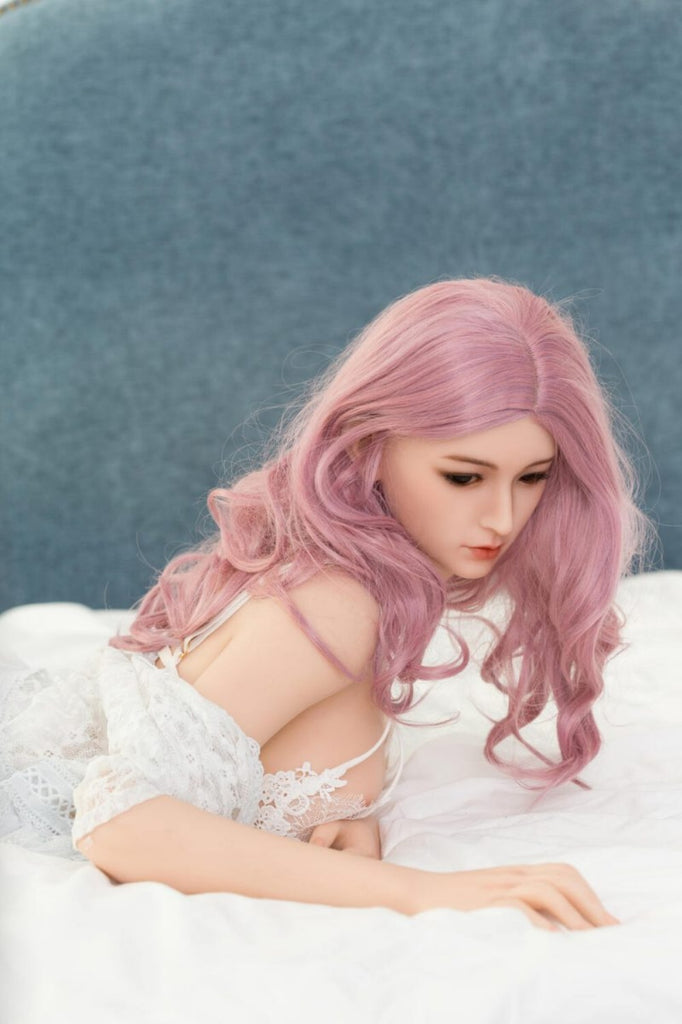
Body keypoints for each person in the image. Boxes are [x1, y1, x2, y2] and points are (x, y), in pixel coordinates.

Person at [0, 277, 651, 932]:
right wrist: (425, 892)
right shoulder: (337, 604)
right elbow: (119, 825)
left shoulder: (369, 585)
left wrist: (345, 814)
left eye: (532, 477)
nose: (502, 517)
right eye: (463, 476)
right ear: (368, 443)